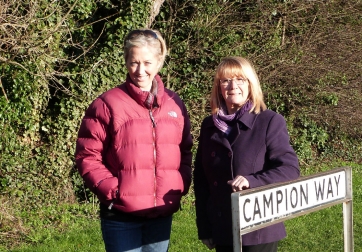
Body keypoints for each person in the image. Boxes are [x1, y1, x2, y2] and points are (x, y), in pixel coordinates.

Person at [75, 28, 193, 252]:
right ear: (126, 62)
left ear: (159, 62)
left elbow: (185, 150)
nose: (140, 71)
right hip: (121, 217)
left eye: (147, 63)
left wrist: (180, 183)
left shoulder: (175, 104)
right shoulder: (107, 104)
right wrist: (113, 191)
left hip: (161, 214)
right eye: (133, 62)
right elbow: (87, 155)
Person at [193, 56, 300, 252]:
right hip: (223, 229)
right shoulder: (209, 126)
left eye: (240, 79)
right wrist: (205, 228)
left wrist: (253, 181)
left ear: (251, 84)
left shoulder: (269, 121)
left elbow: (290, 169)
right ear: (218, 87)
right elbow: (201, 181)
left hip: (258, 230)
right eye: (225, 80)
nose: (233, 86)